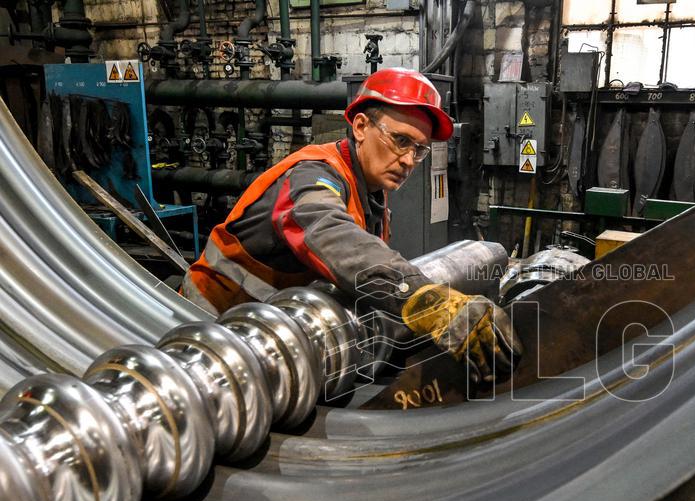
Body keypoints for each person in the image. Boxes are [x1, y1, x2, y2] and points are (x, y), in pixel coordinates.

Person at [180, 67, 519, 382]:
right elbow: (332, 235)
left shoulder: (370, 193)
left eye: (419, 150)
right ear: (360, 127)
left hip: (265, 341)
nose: (408, 160)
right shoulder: (312, 176)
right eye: (400, 141)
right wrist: (427, 301)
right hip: (202, 331)